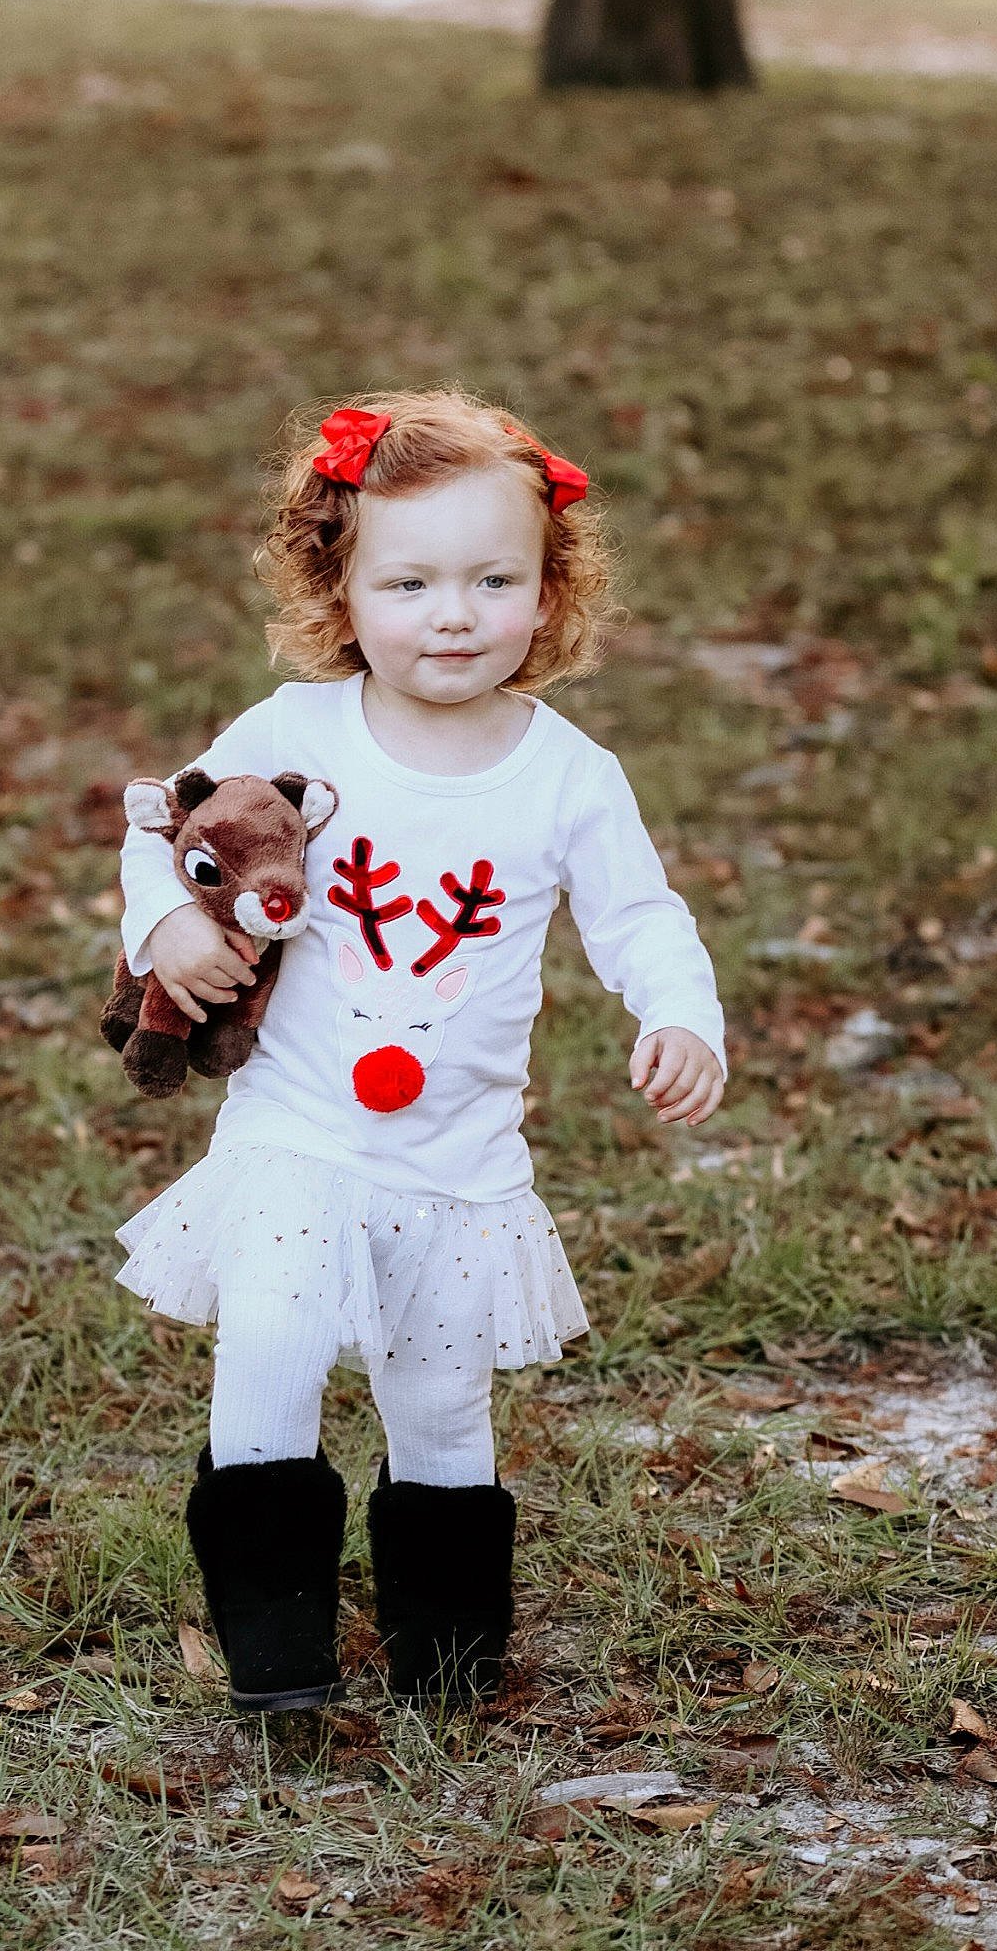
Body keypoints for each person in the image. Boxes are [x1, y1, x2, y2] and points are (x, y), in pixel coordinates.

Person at [113, 388, 726, 1712]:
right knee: (269, 1346)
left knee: (440, 1402)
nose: (452, 614)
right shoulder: (294, 734)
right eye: (409, 581)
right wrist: (167, 921)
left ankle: (445, 1653)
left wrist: (679, 1014)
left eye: (492, 578)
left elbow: (638, 915)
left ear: (547, 590)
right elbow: (165, 831)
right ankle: (273, 1646)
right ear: (338, 589)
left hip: (457, 1161)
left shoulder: (568, 775)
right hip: (299, 1131)